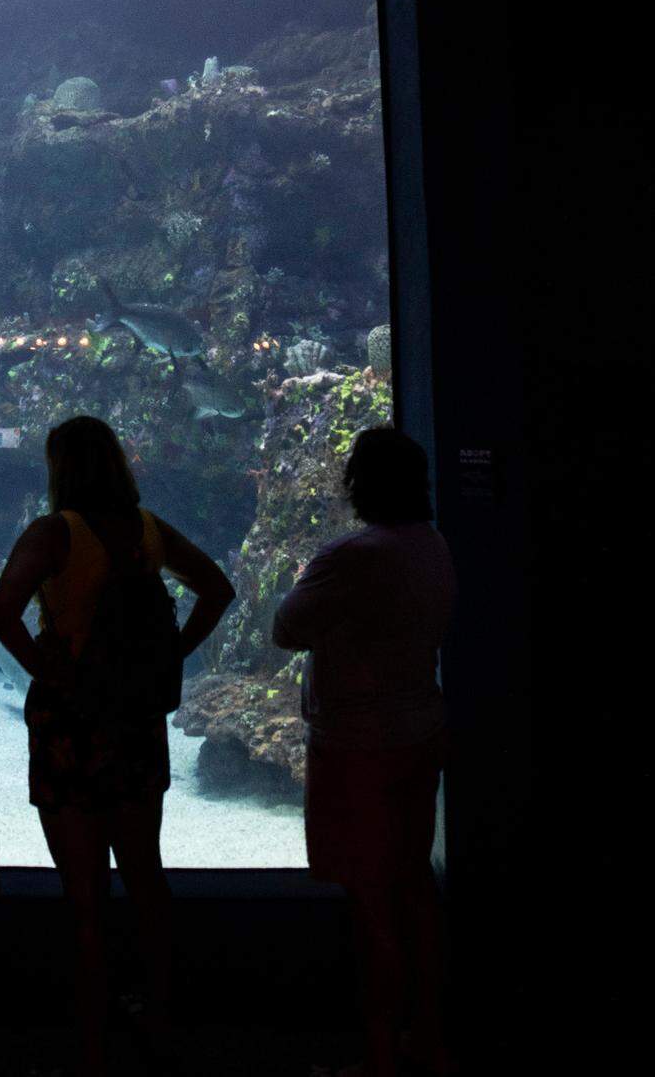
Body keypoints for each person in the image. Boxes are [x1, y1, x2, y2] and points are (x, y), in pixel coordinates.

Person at [0, 414, 235, 1077]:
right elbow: (218, 588)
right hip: (134, 723)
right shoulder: (148, 528)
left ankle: (93, 1043)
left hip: (71, 726)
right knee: (146, 876)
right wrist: (173, 655)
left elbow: (2, 610)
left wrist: (51, 671)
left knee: (87, 897)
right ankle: (159, 1020)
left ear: (59, 467)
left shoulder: (55, 532)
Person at [272, 427, 457, 1077]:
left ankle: (379, 1054)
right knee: (414, 890)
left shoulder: (351, 554)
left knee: (372, 901)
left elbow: (285, 628)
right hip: (420, 734)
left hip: (358, 749)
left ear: (358, 482)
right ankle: (429, 1038)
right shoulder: (431, 544)